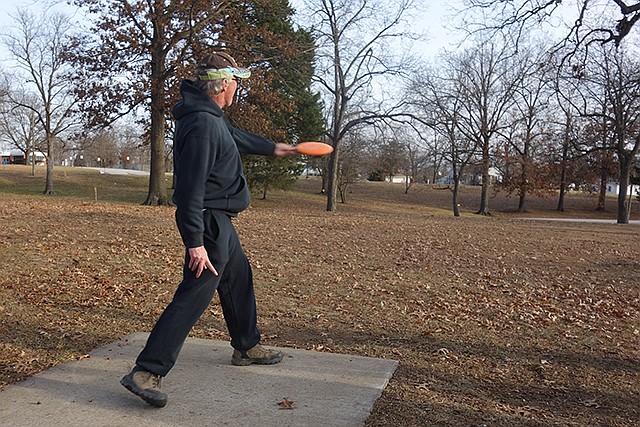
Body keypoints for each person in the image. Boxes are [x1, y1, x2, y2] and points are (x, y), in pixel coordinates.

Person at [121, 51, 298, 408]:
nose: (237, 89)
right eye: (235, 82)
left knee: (239, 278)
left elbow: (236, 136)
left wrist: (276, 148)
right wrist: (195, 242)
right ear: (223, 85)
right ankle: (146, 370)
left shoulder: (209, 116)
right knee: (194, 294)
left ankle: (246, 346)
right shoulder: (203, 126)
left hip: (219, 222)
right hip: (208, 223)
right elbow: (190, 190)